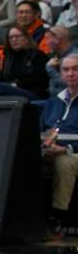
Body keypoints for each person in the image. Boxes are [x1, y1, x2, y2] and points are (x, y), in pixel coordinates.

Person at [39, 55, 78, 237]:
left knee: (64, 162)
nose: (71, 73)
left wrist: (66, 148)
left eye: (75, 69)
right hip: (50, 149)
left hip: (72, 152)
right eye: (66, 69)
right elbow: (42, 129)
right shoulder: (54, 102)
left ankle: (59, 216)